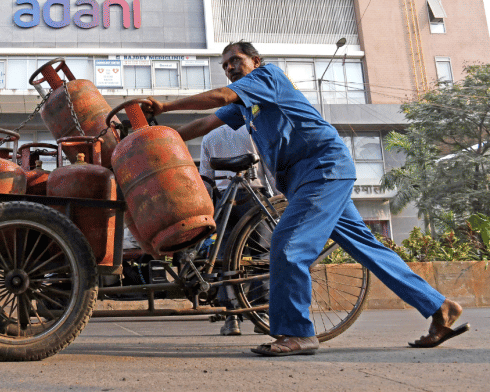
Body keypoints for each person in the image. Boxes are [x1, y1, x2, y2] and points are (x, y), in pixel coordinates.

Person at [143, 40, 469, 356]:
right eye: (225, 65)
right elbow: (205, 123)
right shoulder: (246, 104)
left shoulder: (268, 77)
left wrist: (166, 105)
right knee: (369, 250)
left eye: (235, 61)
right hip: (308, 178)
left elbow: (222, 95)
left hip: (321, 168)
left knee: (288, 245)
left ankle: (297, 333)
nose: (229, 68)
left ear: (255, 62)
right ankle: (440, 308)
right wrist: (151, 134)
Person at [200, 124, 269, 336]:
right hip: (254, 195)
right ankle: (262, 314)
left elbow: (206, 178)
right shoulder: (254, 131)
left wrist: (208, 210)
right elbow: (268, 169)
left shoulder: (209, 136)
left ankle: (232, 318)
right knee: (263, 255)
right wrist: (277, 197)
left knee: (224, 257)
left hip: (224, 198)